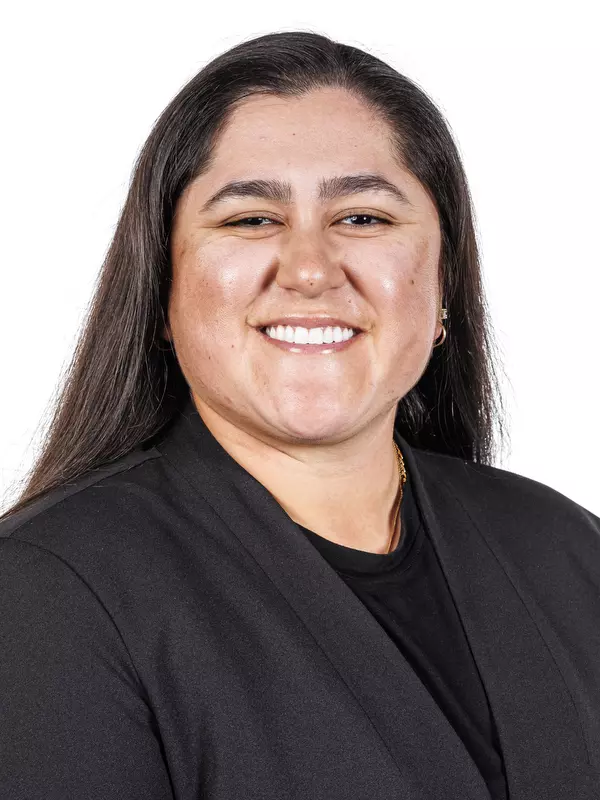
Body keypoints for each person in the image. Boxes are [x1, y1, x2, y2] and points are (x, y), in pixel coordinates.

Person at [1, 31, 598, 800]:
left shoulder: (566, 550)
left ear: (443, 286)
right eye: (250, 219)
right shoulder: (46, 595)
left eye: (364, 218)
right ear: (162, 290)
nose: (311, 270)